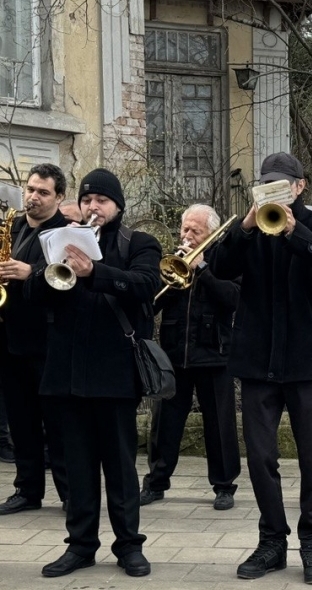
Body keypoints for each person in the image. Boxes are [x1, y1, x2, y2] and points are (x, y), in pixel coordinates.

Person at [210, 152, 312, 585]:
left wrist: (293, 230)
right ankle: (272, 540)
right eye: (266, 183)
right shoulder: (245, 229)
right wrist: (247, 228)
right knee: (261, 458)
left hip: (307, 361)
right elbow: (218, 268)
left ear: (300, 187)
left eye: (281, 184)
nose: (272, 189)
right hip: (256, 360)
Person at [26, 168, 160, 577]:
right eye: (87, 200)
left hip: (115, 373)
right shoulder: (57, 240)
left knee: (120, 467)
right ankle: (81, 545)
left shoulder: (138, 242)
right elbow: (33, 293)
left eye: (101, 200)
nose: (92, 206)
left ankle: (129, 547)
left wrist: (94, 273)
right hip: (67, 373)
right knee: (78, 467)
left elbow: (145, 284)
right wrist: (55, 267)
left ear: (117, 206)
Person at [140, 204, 241, 511]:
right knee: (165, 423)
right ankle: (156, 483)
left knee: (219, 424)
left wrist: (202, 269)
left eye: (195, 231)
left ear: (212, 232)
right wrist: (171, 280)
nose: (188, 235)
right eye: (185, 228)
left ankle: (224, 486)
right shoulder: (171, 259)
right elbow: (151, 305)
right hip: (174, 353)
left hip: (214, 353)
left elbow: (233, 299)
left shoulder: (225, 260)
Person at [0, 163, 71, 515]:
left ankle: (71, 493)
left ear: (59, 197)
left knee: (56, 424)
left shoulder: (65, 232)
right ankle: (27, 490)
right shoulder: (12, 226)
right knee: (21, 421)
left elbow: (69, 284)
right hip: (11, 338)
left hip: (49, 342)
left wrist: (33, 273)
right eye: (30, 189)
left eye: (43, 192)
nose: (33, 197)